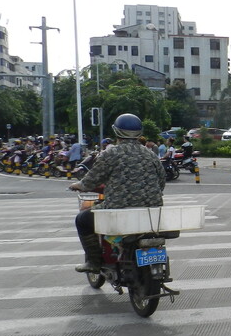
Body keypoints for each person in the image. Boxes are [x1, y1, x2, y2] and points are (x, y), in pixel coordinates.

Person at [69, 114, 166, 273]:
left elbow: (90, 181)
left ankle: (94, 263)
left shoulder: (110, 153)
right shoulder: (151, 154)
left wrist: (78, 185)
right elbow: (161, 182)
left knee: (82, 220)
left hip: (118, 209)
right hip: (151, 210)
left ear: (116, 131)